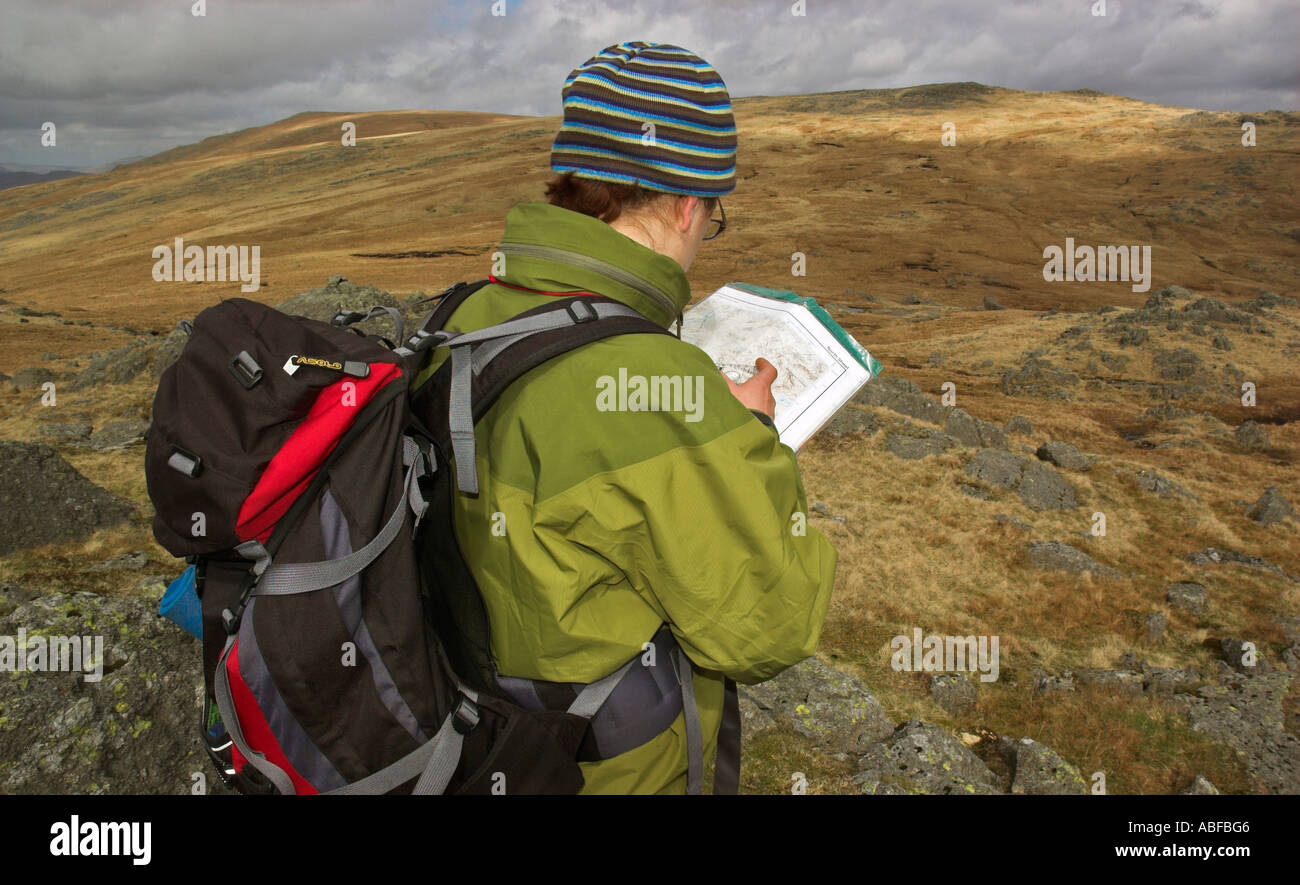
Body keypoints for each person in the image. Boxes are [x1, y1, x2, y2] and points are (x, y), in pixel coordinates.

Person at [412, 40, 836, 794]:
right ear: (684, 205)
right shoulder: (654, 384)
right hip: (602, 770)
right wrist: (752, 434)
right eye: (713, 213)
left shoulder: (471, 310)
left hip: (478, 739)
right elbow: (770, 620)